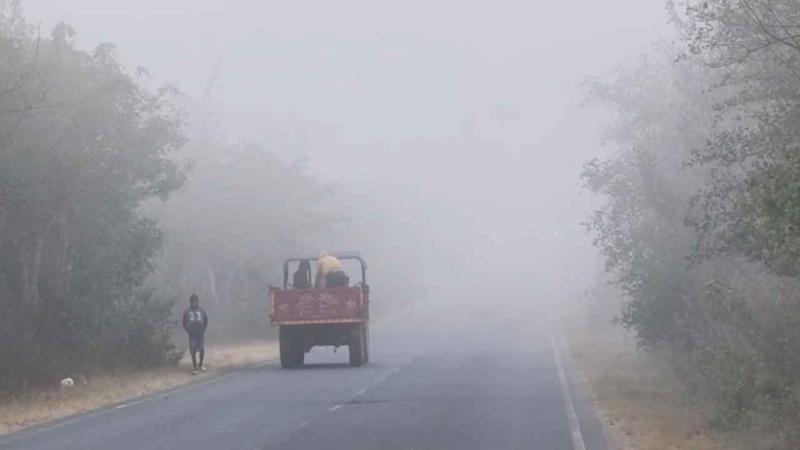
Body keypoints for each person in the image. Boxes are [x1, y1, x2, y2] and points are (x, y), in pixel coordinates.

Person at [182, 294, 208, 375]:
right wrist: (187, 330)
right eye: (193, 301)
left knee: (202, 350)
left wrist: (203, 329)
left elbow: (206, 320)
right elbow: (184, 322)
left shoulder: (202, 310)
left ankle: (201, 365)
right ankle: (195, 367)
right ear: (190, 302)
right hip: (192, 334)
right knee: (193, 351)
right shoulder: (187, 311)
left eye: (196, 301)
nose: (195, 303)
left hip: (200, 333)